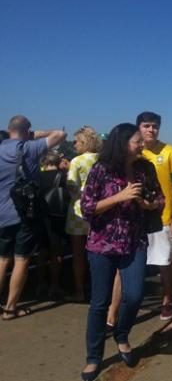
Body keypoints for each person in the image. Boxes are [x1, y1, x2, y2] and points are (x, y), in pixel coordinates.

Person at [79, 123, 164, 381]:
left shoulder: (145, 168)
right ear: (122, 143)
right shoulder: (101, 169)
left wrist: (148, 203)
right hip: (102, 244)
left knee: (135, 295)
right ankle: (94, 357)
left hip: (134, 241)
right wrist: (120, 196)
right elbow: (87, 208)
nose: (142, 144)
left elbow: (159, 199)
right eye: (137, 141)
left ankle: (122, 334)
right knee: (100, 303)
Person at [0, 115, 66, 320]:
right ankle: (10, 308)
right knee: (22, 260)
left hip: (2, 213)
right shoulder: (30, 148)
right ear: (27, 131)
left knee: (2, 259)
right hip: (24, 213)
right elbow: (60, 134)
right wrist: (34, 135)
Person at [137, 112, 172, 321]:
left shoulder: (170, 152)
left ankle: (167, 300)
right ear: (138, 127)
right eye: (146, 126)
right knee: (133, 263)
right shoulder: (132, 151)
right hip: (135, 219)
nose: (151, 130)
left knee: (165, 263)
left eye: (155, 126)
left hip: (163, 219)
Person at [65, 126, 102, 302]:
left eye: (77, 142)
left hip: (79, 210)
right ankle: (98, 289)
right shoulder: (103, 160)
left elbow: (71, 186)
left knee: (78, 253)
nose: (75, 145)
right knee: (98, 252)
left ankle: (79, 290)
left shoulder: (77, 161)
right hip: (100, 209)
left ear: (83, 142)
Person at [37, 151, 70, 299]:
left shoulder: (36, 176)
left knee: (42, 252)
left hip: (41, 217)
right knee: (56, 253)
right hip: (57, 217)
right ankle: (54, 286)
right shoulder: (63, 177)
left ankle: (40, 284)